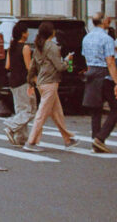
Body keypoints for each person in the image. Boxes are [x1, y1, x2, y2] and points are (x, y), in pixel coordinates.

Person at [23, 21, 77, 152]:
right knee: (42, 114)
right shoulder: (52, 47)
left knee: (57, 113)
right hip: (51, 83)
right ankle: (31, 141)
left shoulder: (38, 46)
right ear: (51, 33)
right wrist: (68, 59)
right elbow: (59, 66)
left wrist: (30, 81)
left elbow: (33, 67)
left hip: (41, 82)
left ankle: (68, 139)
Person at [81, 13, 117, 153]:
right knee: (115, 108)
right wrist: (116, 82)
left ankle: (95, 139)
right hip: (104, 75)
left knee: (95, 109)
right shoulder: (107, 39)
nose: (109, 20)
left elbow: (86, 60)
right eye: (107, 19)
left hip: (91, 73)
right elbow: (110, 62)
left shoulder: (86, 38)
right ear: (102, 22)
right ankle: (100, 138)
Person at [2, 21, 36, 146]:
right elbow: (29, 67)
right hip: (23, 82)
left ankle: (20, 138)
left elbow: (7, 65)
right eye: (26, 31)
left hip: (13, 82)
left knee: (21, 109)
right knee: (30, 110)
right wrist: (35, 81)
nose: (28, 33)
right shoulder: (25, 48)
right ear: (23, 34)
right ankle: (11, 126)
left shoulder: (11, 47)